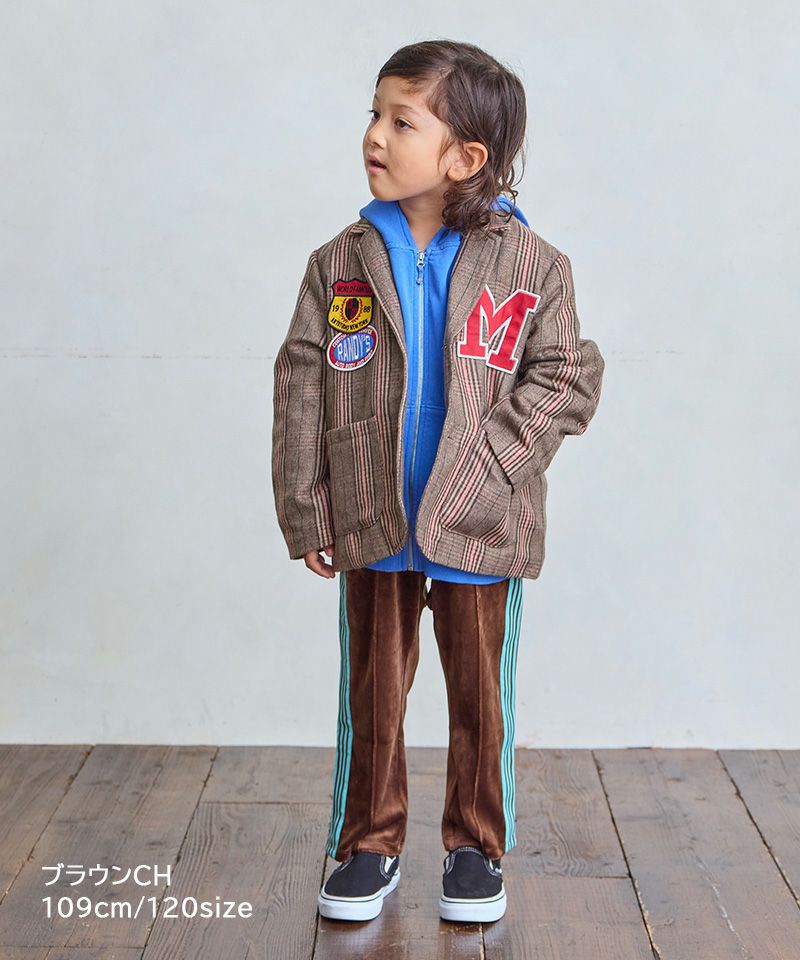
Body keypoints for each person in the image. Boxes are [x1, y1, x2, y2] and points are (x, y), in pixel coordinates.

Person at [272, 39, 605, 924]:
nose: (375, 136)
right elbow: (301, 384)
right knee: (372, 697)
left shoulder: (534, 268)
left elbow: (566, 376)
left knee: (479, 700)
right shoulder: (339, 263)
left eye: (401, 121)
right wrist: (308, 507)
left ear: (464, 158)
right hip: (372, 516)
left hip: (480, 525)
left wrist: (490, 468)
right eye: (374, 115)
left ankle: (475, 846)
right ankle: (367, 843)